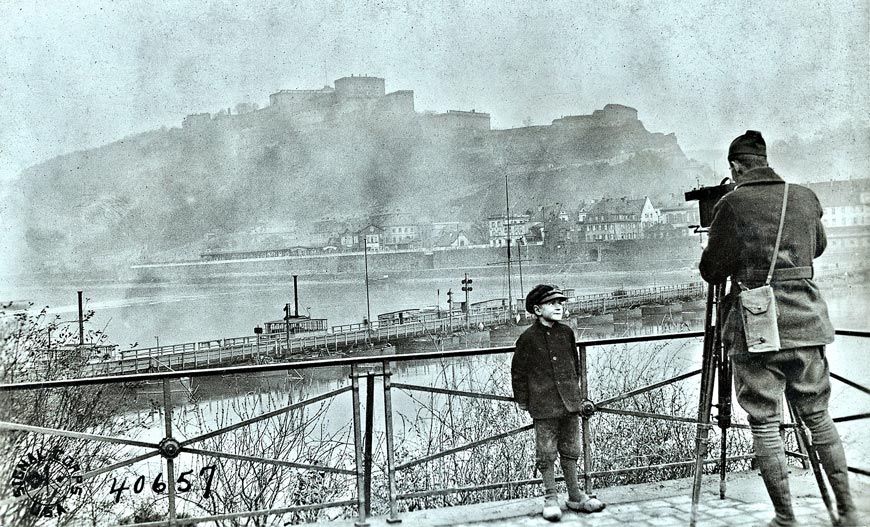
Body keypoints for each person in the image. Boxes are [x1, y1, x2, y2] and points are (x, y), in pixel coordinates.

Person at [699, 131, 858, 527]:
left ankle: (786, 518)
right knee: (819, 417)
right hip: (806, 322)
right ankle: (849, 513)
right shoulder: (804, 196)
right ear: (765, 160)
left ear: (735, 167)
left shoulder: (731, 203)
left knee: (765, 422)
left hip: (758, 330)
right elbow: (817, 246)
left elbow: (712, 270)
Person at [511, 284, 606, 522]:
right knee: (546, 453)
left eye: (560, 303)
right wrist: (523, 401)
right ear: (536, 309)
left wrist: (574, 392)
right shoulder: (527, 339)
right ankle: (550, 498)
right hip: (543, 406)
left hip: (570, 403)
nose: (558, 307)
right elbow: (518, 373)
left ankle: (575, 496)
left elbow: (574, 365)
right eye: (552, 303)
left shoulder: (567, 333)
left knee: (572, 449)